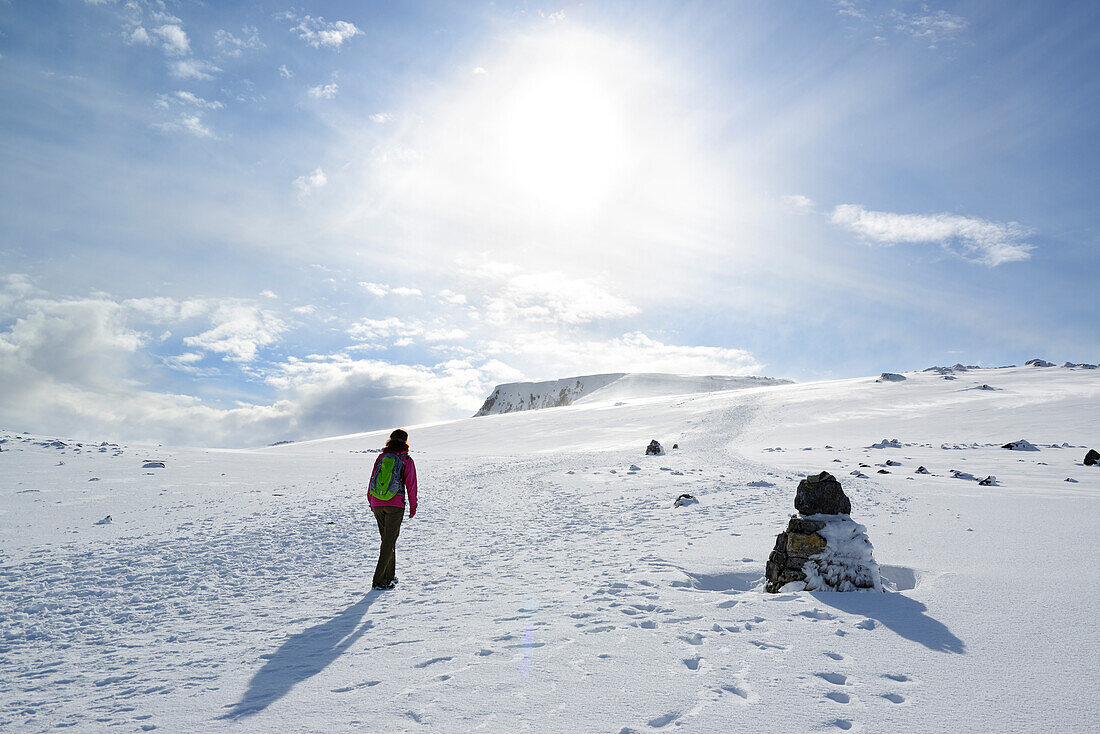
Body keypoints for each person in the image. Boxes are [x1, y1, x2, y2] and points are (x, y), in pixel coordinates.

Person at [367, 429, 417, 590]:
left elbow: (372, 479)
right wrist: (413, 506)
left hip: (377, 503)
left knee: (388, 540)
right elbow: (411, 485)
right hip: (395, 505)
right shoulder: (406, 459)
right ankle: (379, 580)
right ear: (405, 441)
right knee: (389, 542)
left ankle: (389, 575)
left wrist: (371, 501)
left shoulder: (381, 457)